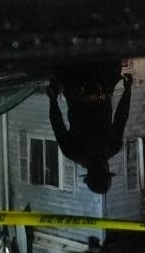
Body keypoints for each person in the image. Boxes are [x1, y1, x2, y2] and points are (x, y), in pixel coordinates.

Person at [47, 61, 133, 195]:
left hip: (76, 83)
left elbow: (57, 123)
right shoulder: (111, 147)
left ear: (90, 173)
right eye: (103, 171)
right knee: (113, 61)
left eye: (99, 172)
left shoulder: (73, 152)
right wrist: (127, 91)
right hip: (100, 82)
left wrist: (53, 100)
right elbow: (121, 117)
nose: (101, 168)